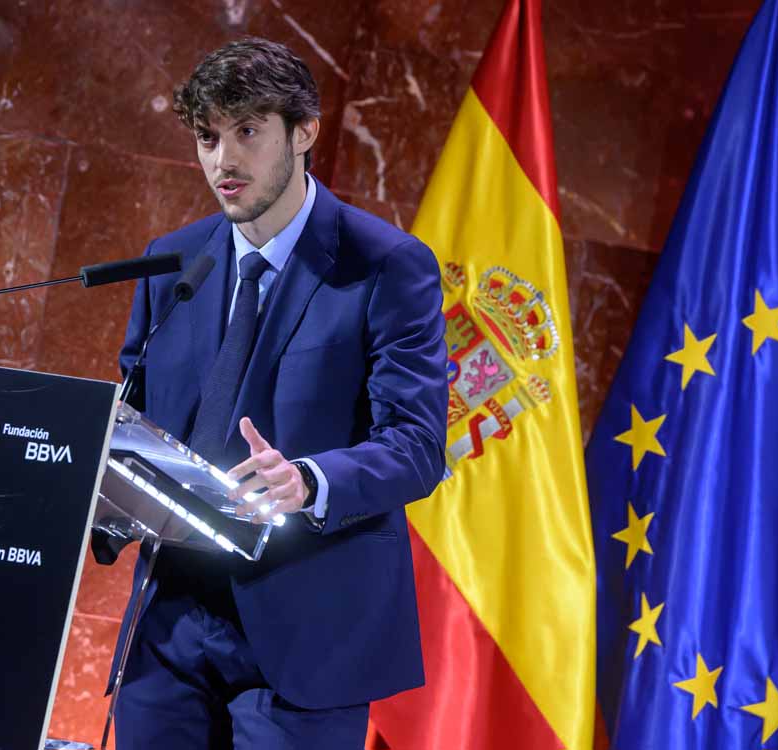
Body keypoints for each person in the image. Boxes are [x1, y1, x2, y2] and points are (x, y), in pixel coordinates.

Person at [106, 37, 450, 749]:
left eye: (247, 132)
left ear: (304, 132)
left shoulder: (385, 265)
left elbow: (418, 447)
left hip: (307, 632)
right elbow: (133, 415)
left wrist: (310, 480)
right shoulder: (171, 261)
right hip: (170, 624)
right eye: (207, 137)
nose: (222, 161)